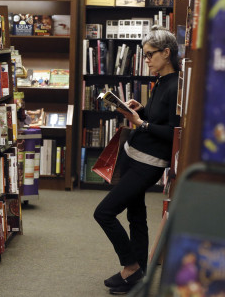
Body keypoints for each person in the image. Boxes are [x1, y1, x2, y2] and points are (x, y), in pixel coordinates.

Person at [94, 26, 181, 295]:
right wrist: (142, 111)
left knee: (104, 212)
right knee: (136, 215)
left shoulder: (176, 86)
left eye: (149, 55)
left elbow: (173, 132)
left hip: (149, 162)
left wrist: (140, 123)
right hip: (136, 155)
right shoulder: (161, 81)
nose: (146, 60)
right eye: (145, 55)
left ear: (167, 53)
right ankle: (138, 274)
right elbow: (158, 119)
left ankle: (130, 267)